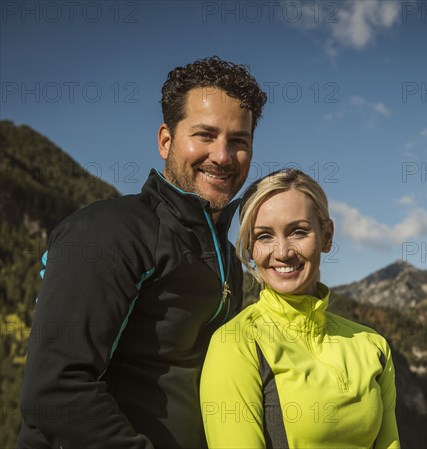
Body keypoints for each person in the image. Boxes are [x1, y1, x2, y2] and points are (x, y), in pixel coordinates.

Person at [17, 56, 267, 449]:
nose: (222, 155)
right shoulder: (108, 231)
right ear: (166, 140)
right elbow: (55, 393)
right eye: (205, 135)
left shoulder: (225, 258)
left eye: (239, 141)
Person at [200, 169, 401, 448]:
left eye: (298, 232)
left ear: (326, 235)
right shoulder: (235, 344)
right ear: (249, 247)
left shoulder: (373, 347)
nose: (282, 251)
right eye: (264, 236)